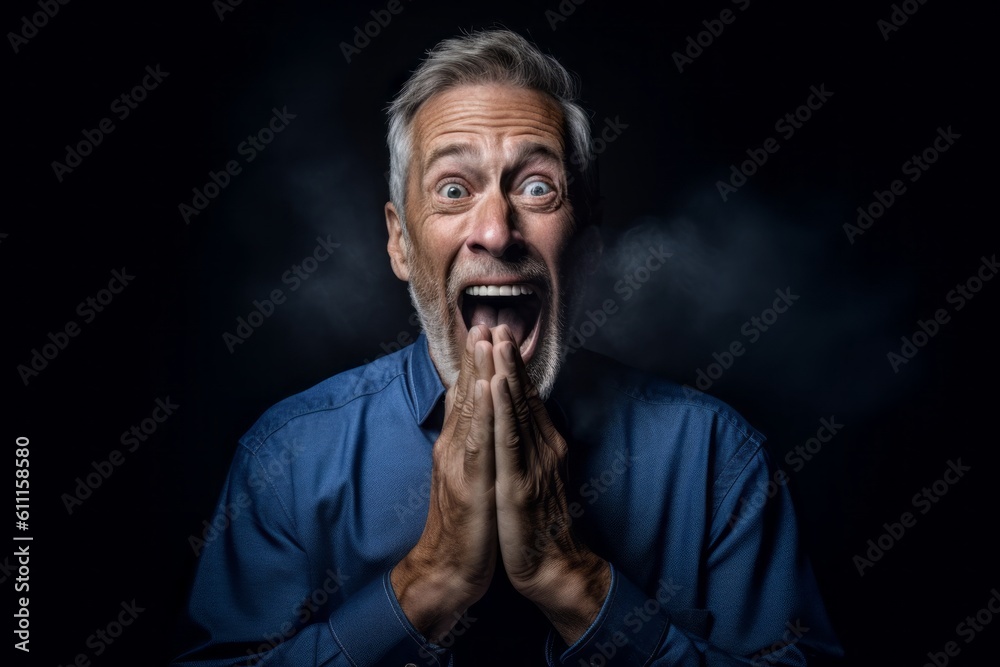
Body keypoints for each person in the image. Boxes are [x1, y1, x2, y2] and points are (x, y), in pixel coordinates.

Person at [174, 29, 842, 666]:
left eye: (537, 188)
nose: (496, 231)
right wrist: (427, 581)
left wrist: (574, 580)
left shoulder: (717, 459)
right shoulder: (287, 458)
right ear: (401, 241)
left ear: (586, 246)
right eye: (454, 190)